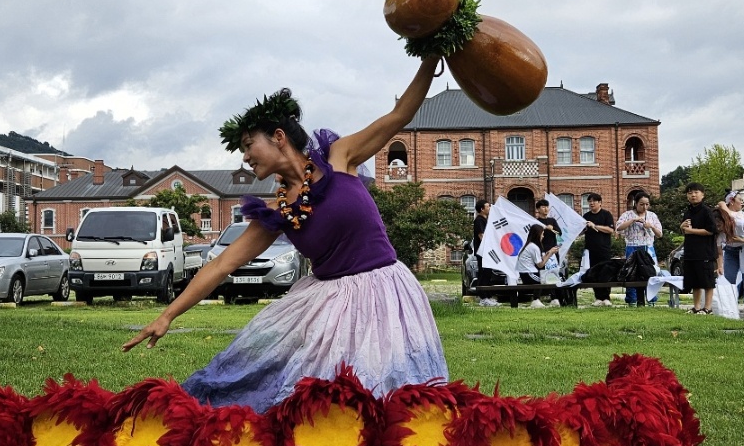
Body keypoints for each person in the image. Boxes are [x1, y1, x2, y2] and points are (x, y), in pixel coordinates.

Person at [121, 57, 449, 412]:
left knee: (396, 396)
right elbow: (219, 267)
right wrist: (167, 315)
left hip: (387, 291)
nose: (245, 156)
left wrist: (429, 61)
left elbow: (398, 116)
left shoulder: (341, 159)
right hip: (330, 307)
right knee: (309, 401)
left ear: (279, 138)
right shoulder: (275, 214)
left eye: (249, 145)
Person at [616, 192, 663, 307]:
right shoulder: (627, 214)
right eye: (641, 204)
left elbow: (659, 234)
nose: (644, 207)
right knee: (631, 273)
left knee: (650, 273)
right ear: (635, 203)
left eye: (647, 204)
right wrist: (632, 221)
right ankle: (632, 300)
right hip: (632, 246)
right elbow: (618, 228)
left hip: (647, 247)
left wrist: (650, 226)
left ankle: (651, 299)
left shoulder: (652, 216)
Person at [679, 182, 719, 314]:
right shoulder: (687, 212)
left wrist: (691, 231)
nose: (693, 195)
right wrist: (682, 228)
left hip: (705, 252)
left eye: (696, 192)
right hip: (691, 252)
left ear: (702, 194)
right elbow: (685, 230)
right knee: (694, 281)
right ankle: (696, 307)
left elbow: (711, 231)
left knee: (707, 282)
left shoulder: (707, 211)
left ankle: (707, 308)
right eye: (690, 193)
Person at [581, 193, 617, 306]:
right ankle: (598, 298)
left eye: (594, 201)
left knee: (605, 273)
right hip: (590, 250)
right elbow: (581, 231)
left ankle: (606, 297)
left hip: (604, 250)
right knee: (593, 273)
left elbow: (610, 230)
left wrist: (595, 226)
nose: (591, 203)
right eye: (589, 201)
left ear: (600, 202)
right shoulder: (586, 216)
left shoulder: (606, 215)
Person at [471, 201, 500, 307]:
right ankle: (483, 297)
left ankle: (488, 296)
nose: (490, 208)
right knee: (483, 273)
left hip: (487, 252)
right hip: (482, 252)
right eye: (488, 206)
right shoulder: (479, 220)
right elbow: (481, 236)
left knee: (488, 273)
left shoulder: (486, 220)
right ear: (482, 209)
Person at [515, 224, 551, 308]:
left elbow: (540, 261)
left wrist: (549, 253)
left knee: (550, 277)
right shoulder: (533, 247)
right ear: (538, 234)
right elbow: (540, 264)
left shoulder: (531, 245)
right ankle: (536, 300)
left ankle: (552, 299)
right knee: (545, 279)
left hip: (527, 273)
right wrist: (550, 254)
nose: (543, 236)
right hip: (528, 273)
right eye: (542, 234)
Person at [533, 199, 563, 272]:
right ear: (538, 209)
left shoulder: (552, 220)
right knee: (543, 272)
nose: (546, 209)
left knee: (555, 272)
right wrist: (544, 228)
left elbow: (560, 233)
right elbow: (534, 237)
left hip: (553, 250)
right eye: (543, 207)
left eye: (547, 207)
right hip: (542, 251)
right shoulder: (536, 222)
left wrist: (552, 228)